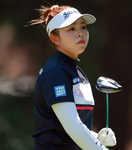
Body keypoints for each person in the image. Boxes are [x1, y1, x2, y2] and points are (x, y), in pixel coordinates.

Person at [29, 4, 117, 150]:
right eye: (71, 29)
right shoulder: (55, 72)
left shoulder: (74, 71)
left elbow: (66, 131)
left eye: (83, 27)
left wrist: (96, 137)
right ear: (55, 38)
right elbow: (72, 126)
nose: (80, 33)